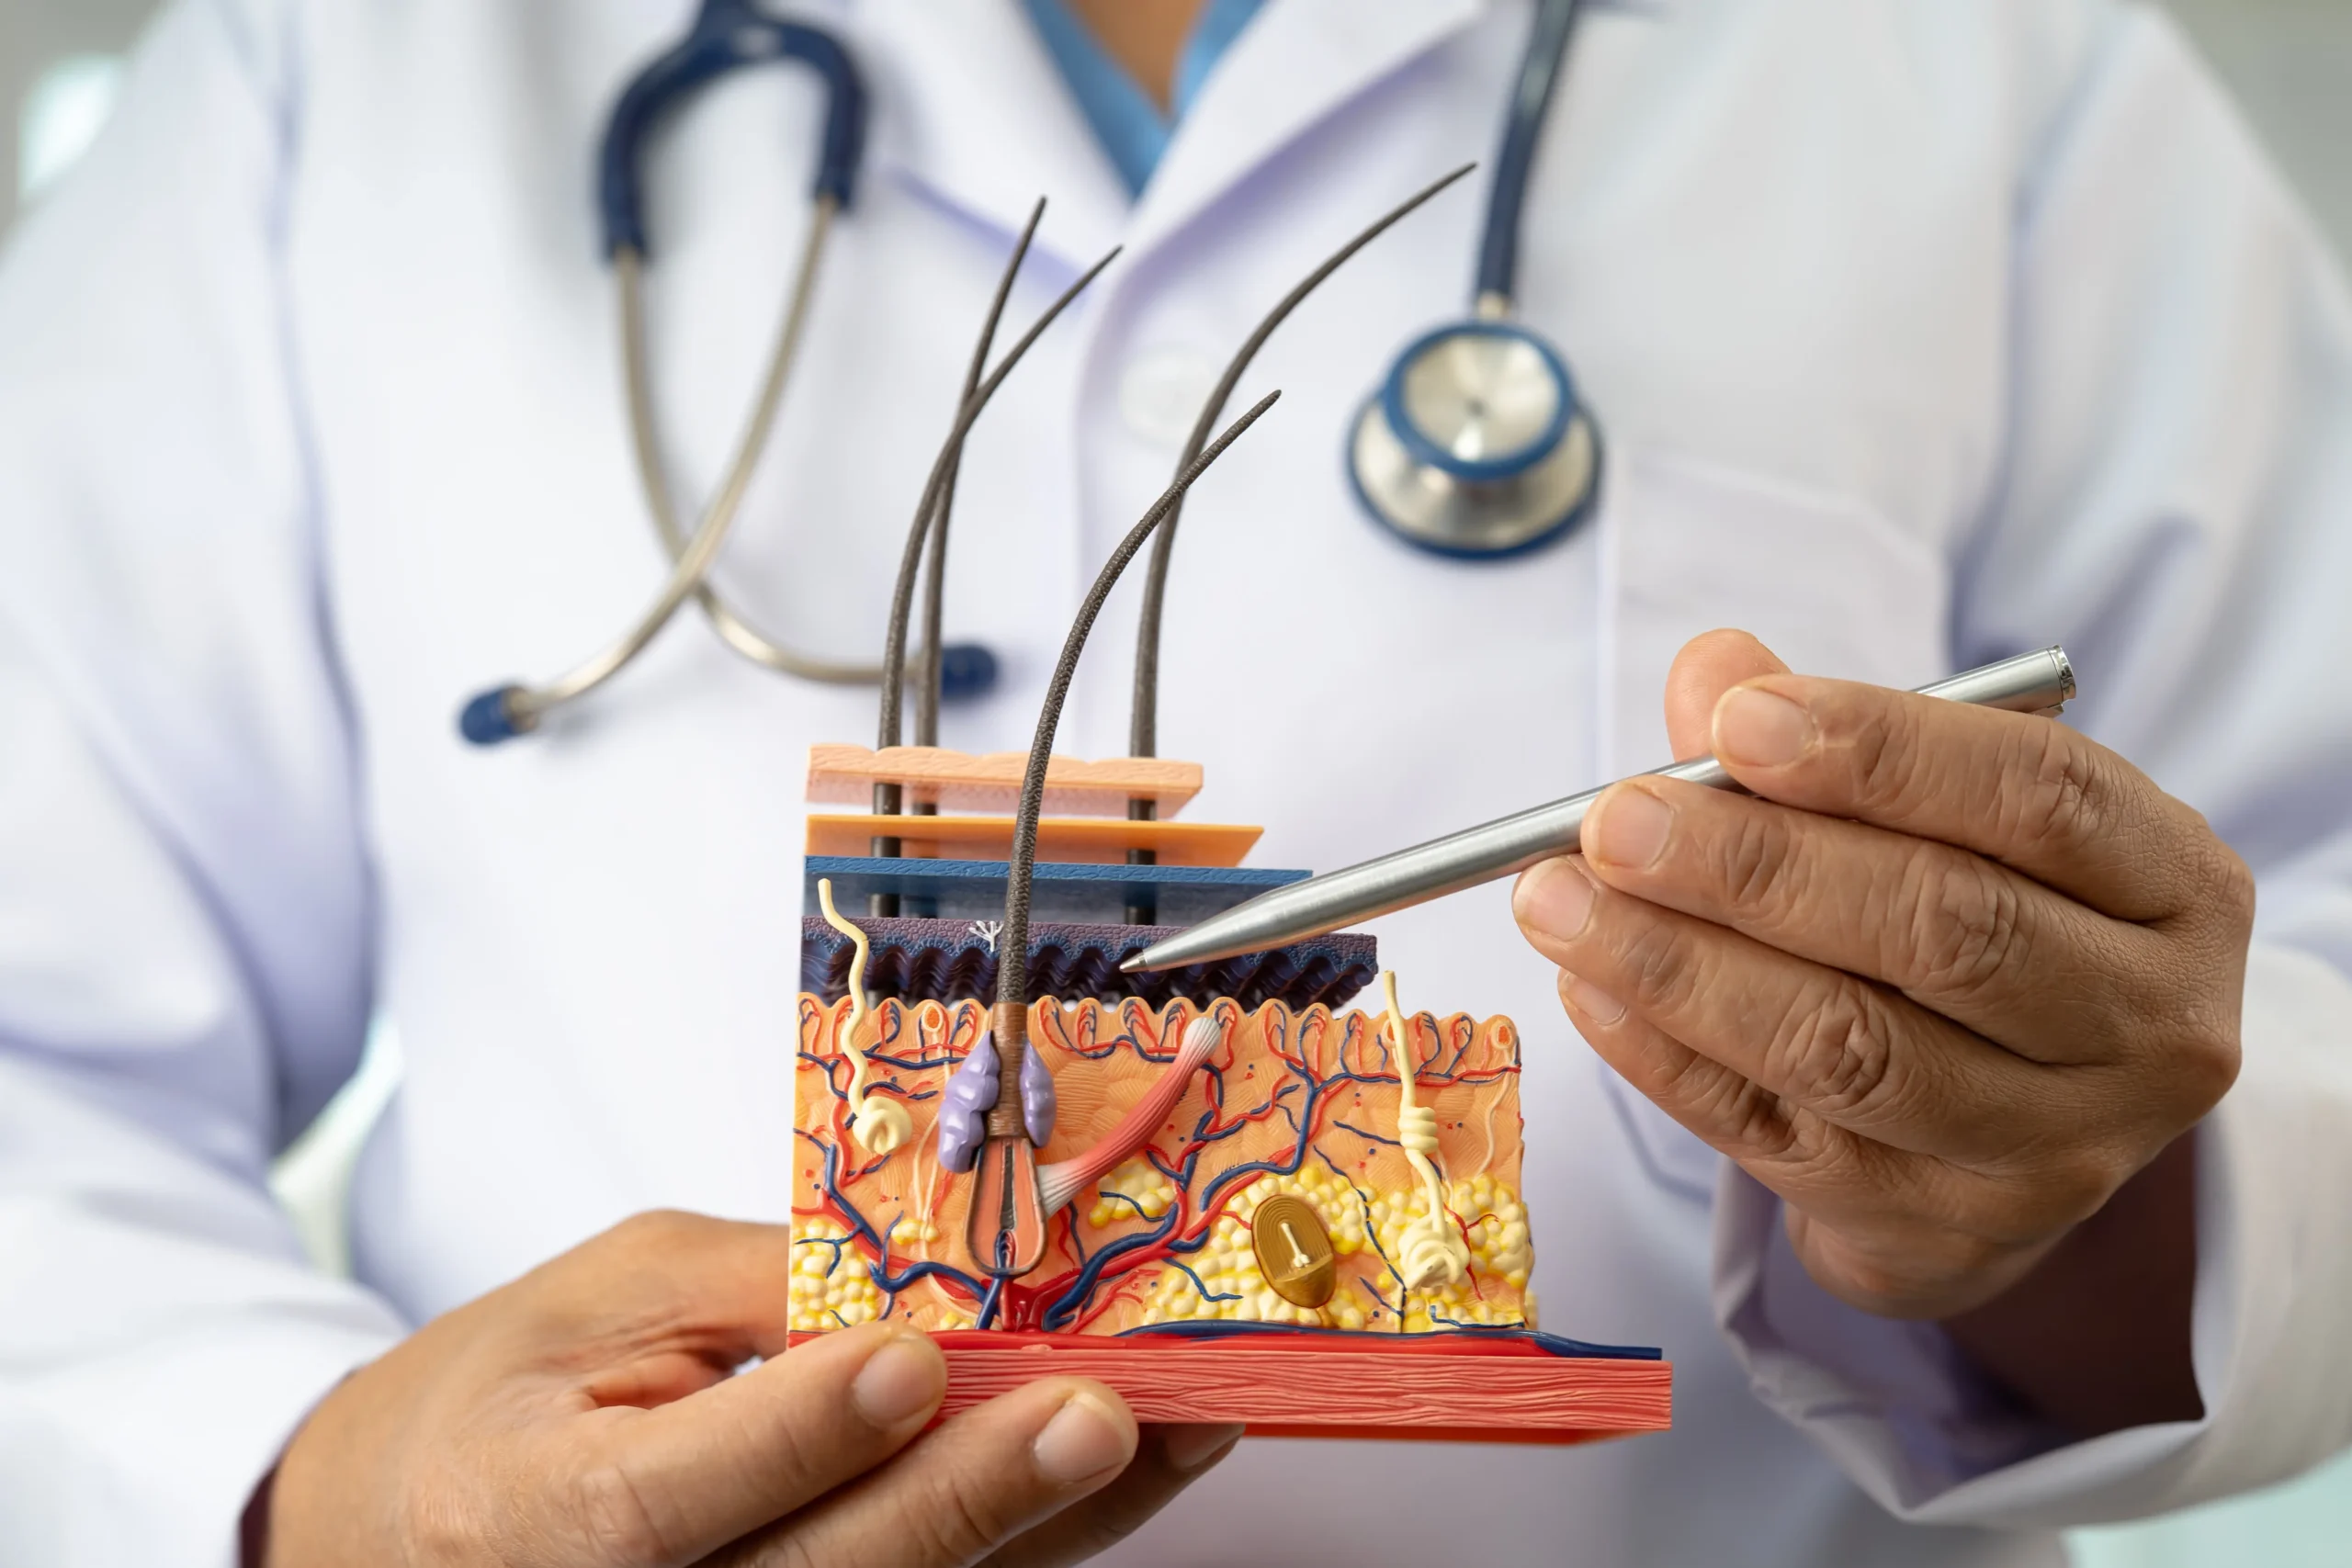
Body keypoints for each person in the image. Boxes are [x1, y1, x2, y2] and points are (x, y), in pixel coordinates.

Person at [3, 0, 2349, 1563]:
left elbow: (2305, 961)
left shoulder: (1987, 63)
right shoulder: (333, 63)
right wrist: (295, 1486)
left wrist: (2075, 1191)